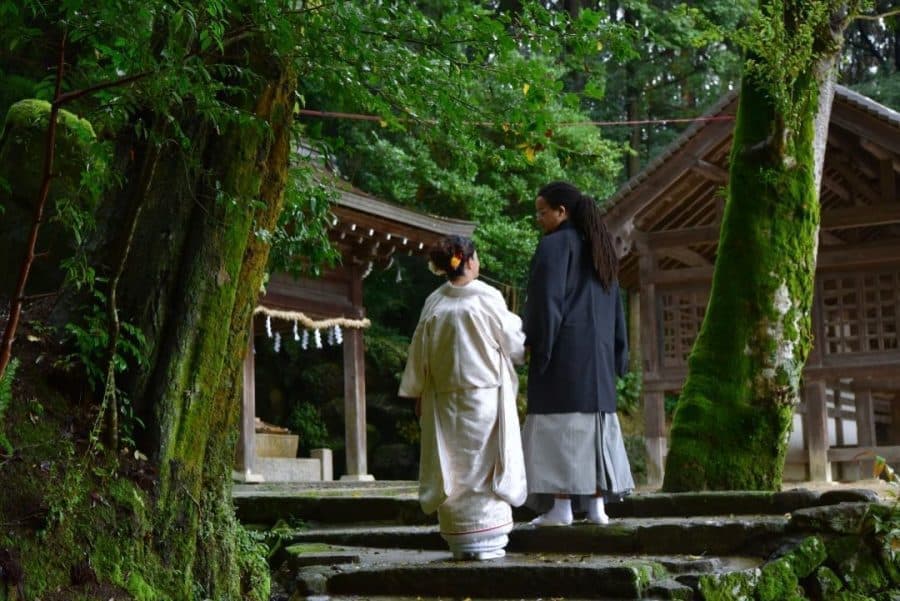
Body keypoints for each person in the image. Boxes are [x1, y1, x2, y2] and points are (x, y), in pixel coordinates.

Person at [399, 235, 527, 559]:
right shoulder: (488, 297)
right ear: (469, 261)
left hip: (444, 401)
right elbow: (514, 343)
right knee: (485, 469)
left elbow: (419, 352)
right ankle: (488, 540)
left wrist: (417, 391)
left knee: (451, 468)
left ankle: (461, 539)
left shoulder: (434, 302)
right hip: (484, 401)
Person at [522, 181, 634, 527]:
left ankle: (561, 508)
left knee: (564, 429)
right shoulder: (600, 249)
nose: (539, 218)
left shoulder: (554, 247)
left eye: (543, 211)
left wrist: (539, 348)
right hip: (599, 360)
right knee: (595, 429)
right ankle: (598, 508)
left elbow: (547, 304)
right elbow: (617, 310)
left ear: (562, 211)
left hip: (565, 355)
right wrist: (620, 353)